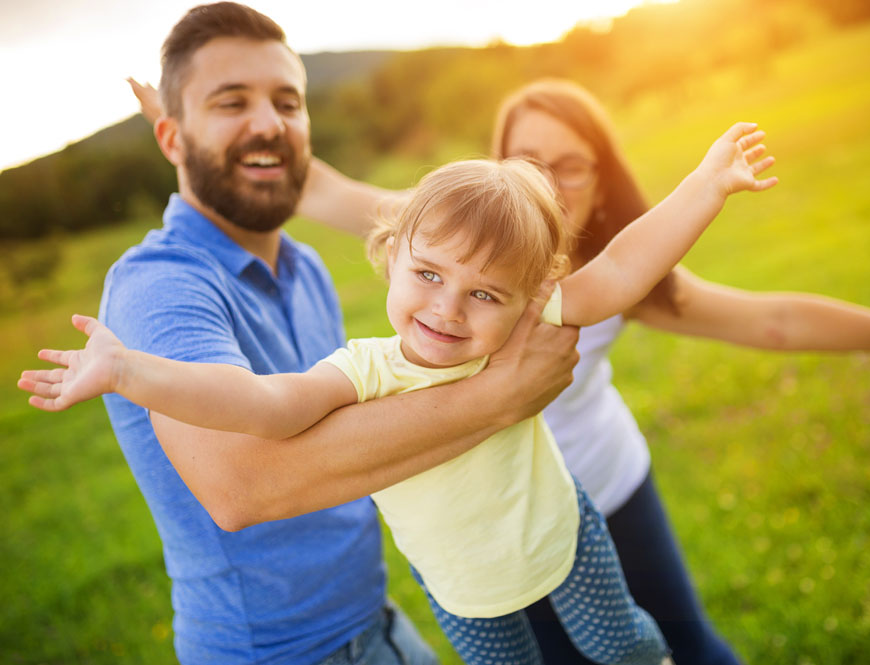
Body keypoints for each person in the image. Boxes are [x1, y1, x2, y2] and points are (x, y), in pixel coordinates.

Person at [21, 115, 777, 662]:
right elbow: (262, 405)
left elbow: (619, 267)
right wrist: (128, 371)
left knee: (625, 648)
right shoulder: (365, 369)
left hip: (563, 534)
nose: (448, 307)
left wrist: (707, 185)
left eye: (485, 293)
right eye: (429, 274)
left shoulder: (523, 323)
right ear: (391, 255)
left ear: (526, 296)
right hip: (459, 584)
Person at [18, 4, 586, 664]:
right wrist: (498, 397)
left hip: (375, 620)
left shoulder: (304, 266)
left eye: (288, 102)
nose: (268, 122)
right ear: (171, 139)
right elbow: (243, 484)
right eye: (231, 102)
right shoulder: (160, 283)